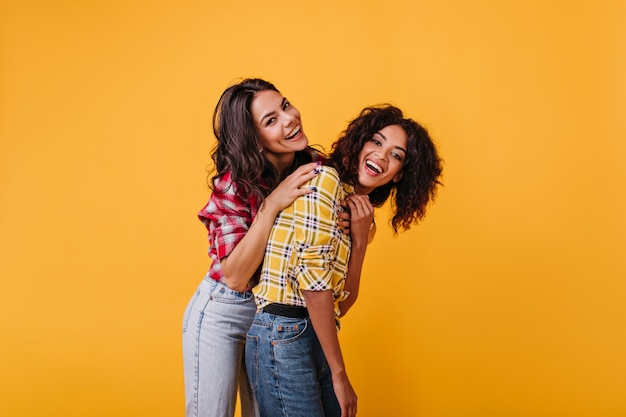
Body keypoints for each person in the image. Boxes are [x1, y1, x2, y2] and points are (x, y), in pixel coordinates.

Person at [246, 104, 443, 417]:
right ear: (361, 143)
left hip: (314, 331)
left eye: (396, 154)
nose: (381, 155)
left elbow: (342, 305)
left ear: (400, 174)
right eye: (376, 142)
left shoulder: (360, 214)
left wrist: (361, 239)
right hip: (281, 331)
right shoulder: (323, 181)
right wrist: (340, 373)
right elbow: (313, 285)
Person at [182, 78, 332, 417]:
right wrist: (271, 205)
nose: (290, 118)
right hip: (224, 311)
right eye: (271, 120)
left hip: (272, 316)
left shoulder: (313, 166)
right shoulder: (233, 185)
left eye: (286, 105)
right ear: (254, 141)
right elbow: (234, 276)